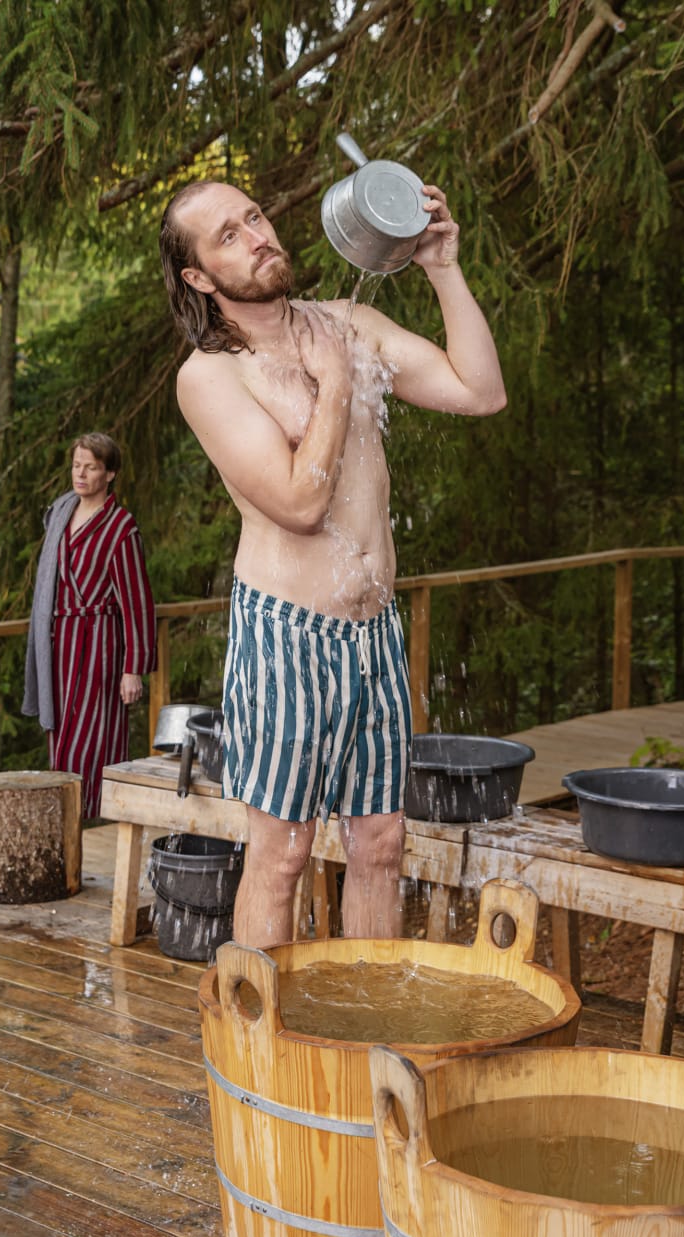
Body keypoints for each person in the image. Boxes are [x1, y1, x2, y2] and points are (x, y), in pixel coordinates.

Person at [160, 177, 505, 947]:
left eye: (254, 214)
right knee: (281, 857)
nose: (255, 234)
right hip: (288, 635)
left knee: (381, 845)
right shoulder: (210, 377)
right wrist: (339, 379)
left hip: (373, 630)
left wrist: (443, 268)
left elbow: (480, 392)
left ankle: (362, 1035)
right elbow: (299, 503)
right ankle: (264, 1050)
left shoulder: (350, 320)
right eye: (227, 235)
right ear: (199, 277)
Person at [22, 432, 158, 817]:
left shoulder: (120, 527)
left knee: (90, 737)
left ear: (110, 473)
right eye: (76, 465)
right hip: (59, 645)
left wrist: (133, 669)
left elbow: (137, 602)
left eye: (91, 467)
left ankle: (88, 813)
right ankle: (63, 817)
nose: (80, 474)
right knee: (60, 732)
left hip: (99, 646)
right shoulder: (60, 516)